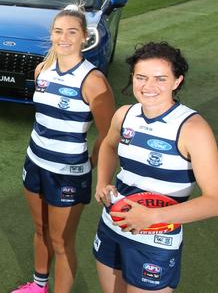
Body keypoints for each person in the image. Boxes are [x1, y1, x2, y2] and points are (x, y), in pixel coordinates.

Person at [93, 42, 218, 292]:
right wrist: (102, 181)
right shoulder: (124, 114)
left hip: (156, 241)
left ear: (177, 81)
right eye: (141, 77)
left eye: (160, 78)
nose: (148, 86)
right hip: (112, 225)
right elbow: (108, 146)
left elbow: (214, 200)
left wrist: (152, 217)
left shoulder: (193, 129)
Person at [12, 4, 115, 293]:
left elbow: (110, 134)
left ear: (84, 36)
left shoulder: (93, 81)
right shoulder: (41, 70)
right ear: (51, 34)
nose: (64, 37)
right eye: (58, 31)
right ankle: (38, 286)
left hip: (68, 173)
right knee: (41, 230)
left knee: (60, 241)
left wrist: (91, 162)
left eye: (72, 32)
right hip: (34, 162)